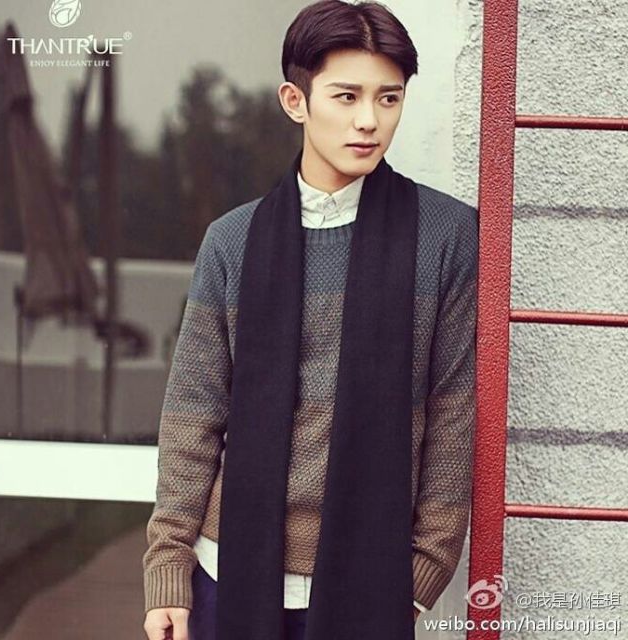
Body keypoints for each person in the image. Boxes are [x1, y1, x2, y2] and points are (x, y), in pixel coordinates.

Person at [142, 1, 478, 639]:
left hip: (370, 581)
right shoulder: (232, 240)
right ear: (295, 101)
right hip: (227, 572)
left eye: (388, 98)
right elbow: (193, 414)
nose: (368, 120)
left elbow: (453, 414)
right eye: (346, 96)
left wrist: (419, 580)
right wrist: (168, 571)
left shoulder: (447, 236)